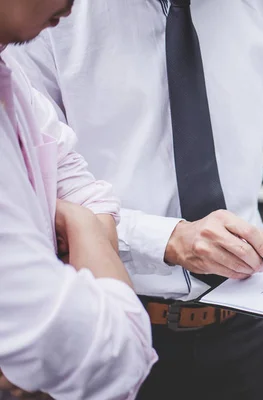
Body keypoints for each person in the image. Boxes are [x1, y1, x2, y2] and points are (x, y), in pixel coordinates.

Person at [10, 0, 263, 398]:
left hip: (243, 314)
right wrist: (167, 239)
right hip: (114, 318)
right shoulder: (49, 13)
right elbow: (45, 183)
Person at [0, 1, 157, 399]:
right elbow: (118, 352)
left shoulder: (11, 75)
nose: (73, 6)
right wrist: (83, 228)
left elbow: (84, 187)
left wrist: (82, 217)